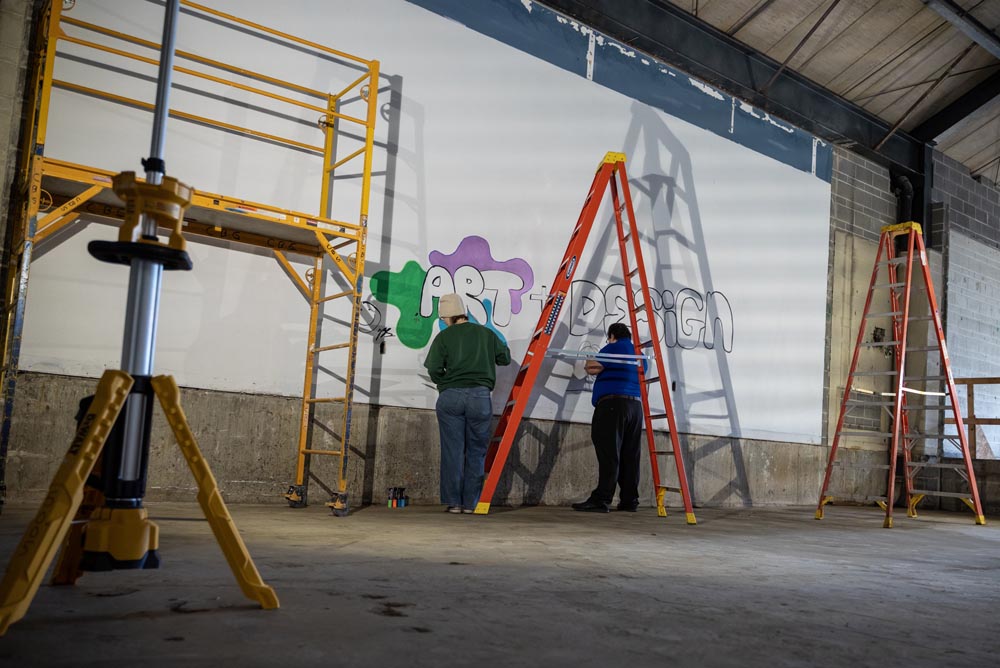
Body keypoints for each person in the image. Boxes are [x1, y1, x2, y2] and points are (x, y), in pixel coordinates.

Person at [424, 293, 511, 514]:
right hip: (480, 397)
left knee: (452, 451)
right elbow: (505, 358)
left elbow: (433, 368)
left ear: (449, 316)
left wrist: (445, 385)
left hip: (451, 397)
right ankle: (471, 504)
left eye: (443, 318)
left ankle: (454, 503)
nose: (443, 322)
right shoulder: (486, 333)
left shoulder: (444, 337)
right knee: (476, 451)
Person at [572, 322, 646, 513]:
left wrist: (590, 357)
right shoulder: (639, 354)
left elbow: (592, 367)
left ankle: (602, 499)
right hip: (635, 407)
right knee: (630, 454)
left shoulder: (615, 346)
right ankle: (630, 500)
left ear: (612, 335)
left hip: (613, 404)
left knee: (608, 452)